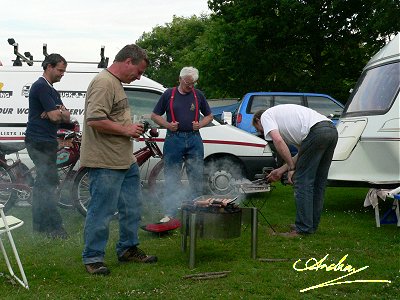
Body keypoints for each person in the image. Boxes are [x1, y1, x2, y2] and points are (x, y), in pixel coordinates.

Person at [80, 44, 157, 276]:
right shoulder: (104, 83)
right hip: (105, 161)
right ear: (128, 62)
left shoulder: (117, 84)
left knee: (132, 207)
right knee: (101, 210)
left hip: (124, 159)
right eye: (139, 71)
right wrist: (126, 130)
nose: (139, 76)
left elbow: (112, 118)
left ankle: (128, 249)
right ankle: (93, 258)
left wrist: (131, 127)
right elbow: (95, 120)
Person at [252, 104, 338, 236]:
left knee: (302, 181)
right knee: (317, 182)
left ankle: (303, 228)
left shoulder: (265, 116)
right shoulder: (288, 122)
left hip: (317, 131)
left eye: (261, 130)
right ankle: (310, 225)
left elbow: (278, 141)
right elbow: (302, 154)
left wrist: (292, 169)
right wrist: (281, 170)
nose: (265, 133)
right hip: (331, 130)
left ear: (258, 120)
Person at [151, 67, 213, 222]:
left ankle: (195, 211)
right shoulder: (168, 94)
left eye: (193, 83)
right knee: (172, 176)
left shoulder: (198, 95)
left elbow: (209, 116)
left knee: (196, 175)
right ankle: (170, 213)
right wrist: (167, 125)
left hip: (194, 139)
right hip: (174, 138)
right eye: (188, 83)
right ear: (180, 79)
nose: (191, 86)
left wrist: (201, 124)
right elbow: (154, 115)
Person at [25, 53, 71, 239]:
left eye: (63, 71)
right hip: (40, 141)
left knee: (43, 184)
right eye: (60, 70)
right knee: (48, 183)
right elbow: (55, 117)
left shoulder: (52, 90)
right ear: (49, 67)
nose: (62, 74)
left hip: (46, 140)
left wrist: (57, 111)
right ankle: (54, 227)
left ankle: (40, 225)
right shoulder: (41, 87)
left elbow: (66, 116)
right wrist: (56, 112)